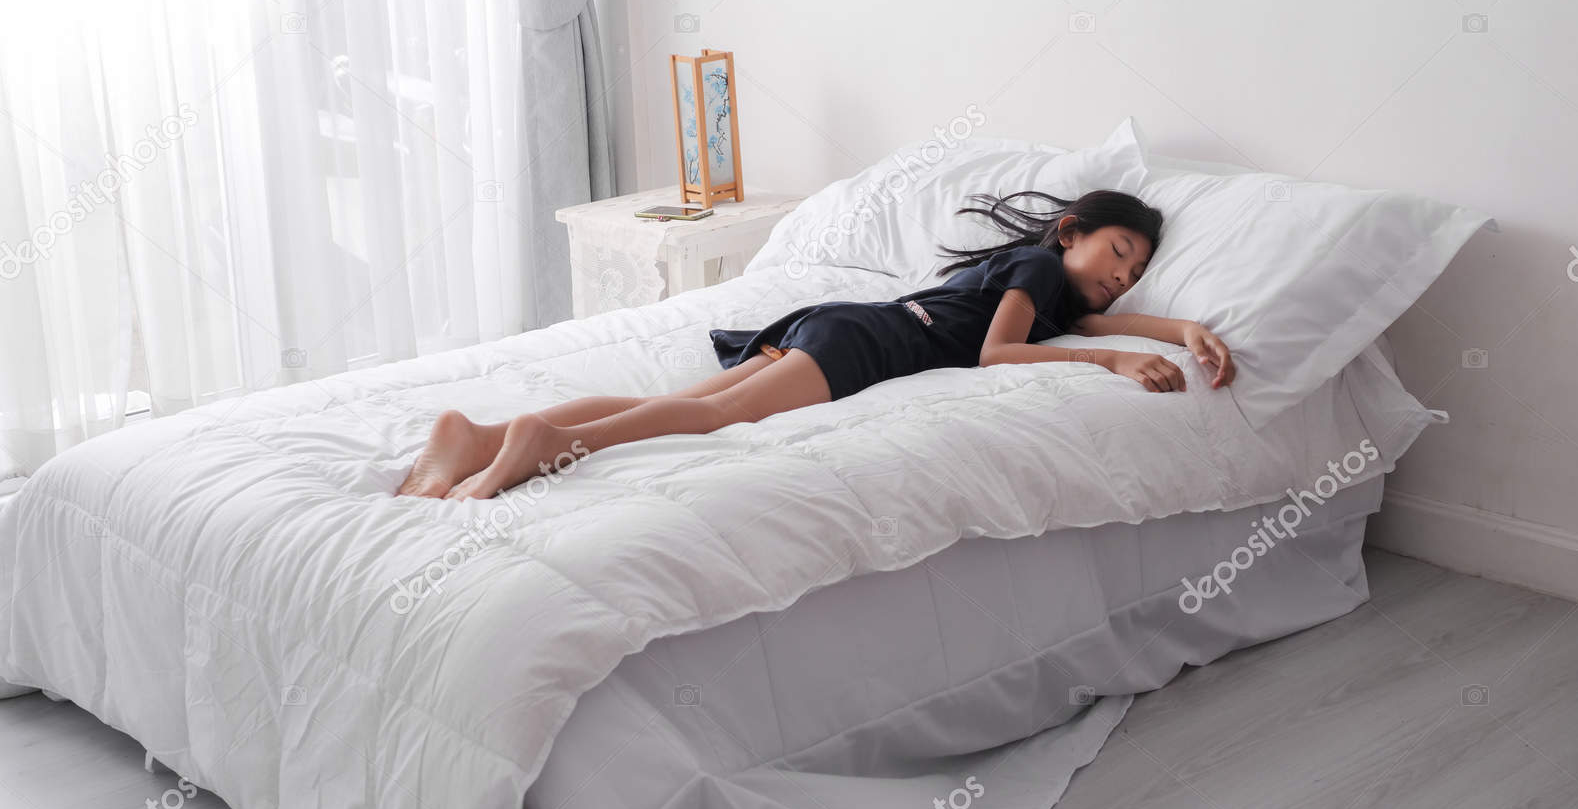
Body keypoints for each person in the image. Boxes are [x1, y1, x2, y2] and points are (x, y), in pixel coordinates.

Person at [396, 188, 1235, 500]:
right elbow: (997, 356)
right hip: (869, 344)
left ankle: (478, 438)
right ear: (1070, 232)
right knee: (708, 423)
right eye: (1118, 255)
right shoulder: (1038, 272)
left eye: (1134, 277)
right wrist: (1115, 359)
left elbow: (1094, 322)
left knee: (683, 404)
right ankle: (548, 443)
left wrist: (1182, 329)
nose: (1122, 281)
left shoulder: (1043, 288)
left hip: (845, 320)